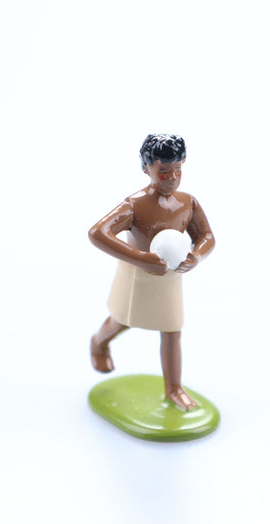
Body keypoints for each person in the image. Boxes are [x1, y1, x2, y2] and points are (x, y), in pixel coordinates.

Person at [88, 134, 215, 410]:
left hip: (170, 278)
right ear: (147, 169)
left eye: (178, 169)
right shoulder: (134, 205)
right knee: (122, 320)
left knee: (172, 330)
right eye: (164, 171)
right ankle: (98, 343)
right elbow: (98, 233)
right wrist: (140, 258)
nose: (173, 178)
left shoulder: (187, 203)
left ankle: (173, 388)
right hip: (136, 276)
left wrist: (196, 256)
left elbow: (206, 236)